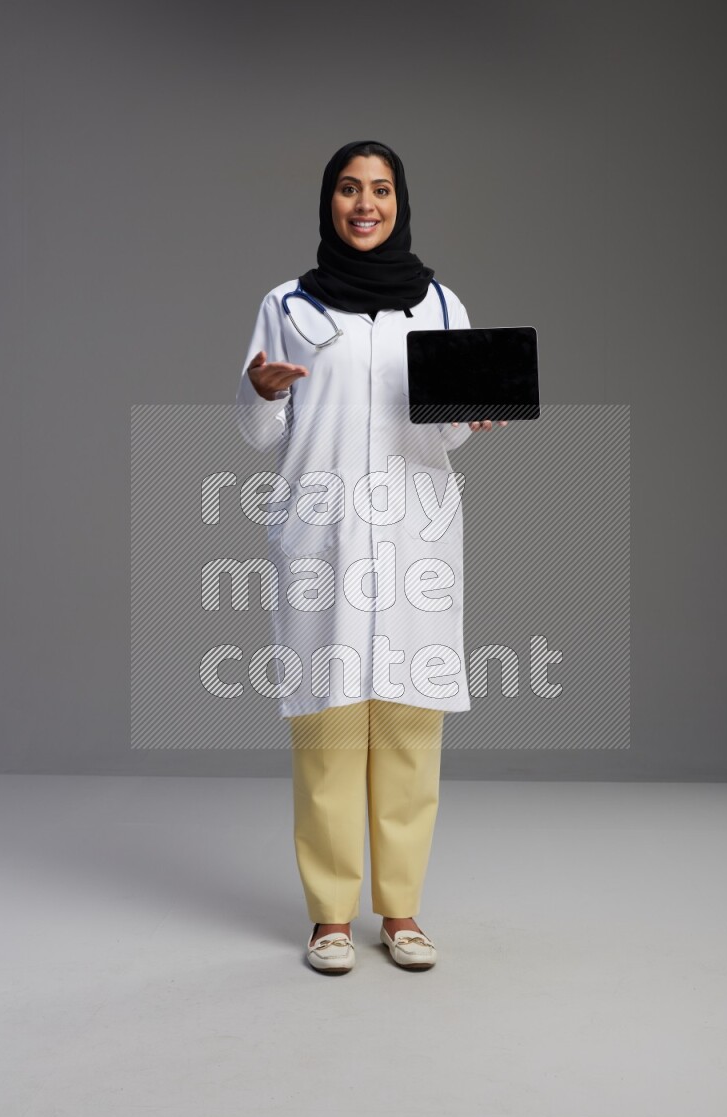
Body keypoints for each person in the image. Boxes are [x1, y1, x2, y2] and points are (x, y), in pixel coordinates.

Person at [235, 140, 506, 974]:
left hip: (415, 534)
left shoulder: (439, 302)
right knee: (326, 725)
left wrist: (476, 414)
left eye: (380, 190)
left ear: (400, 202)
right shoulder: (288, 304)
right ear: (329, 202)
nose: (365, 203)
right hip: (323, 534)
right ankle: (328, 916)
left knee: (408, 725)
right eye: (350, 189)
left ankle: (401, 910)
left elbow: (446, 428)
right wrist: (265, 389)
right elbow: (254, 428)